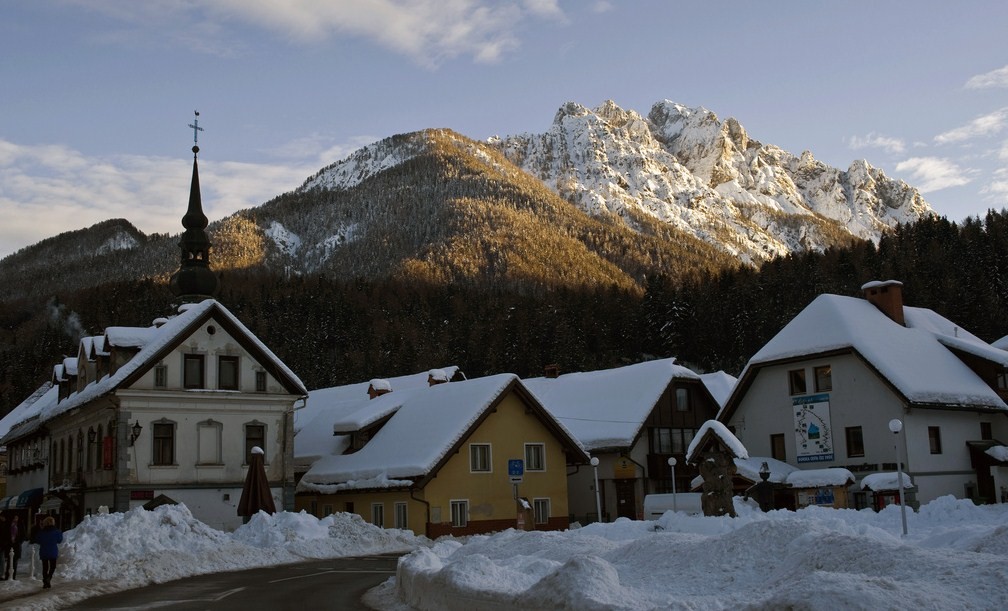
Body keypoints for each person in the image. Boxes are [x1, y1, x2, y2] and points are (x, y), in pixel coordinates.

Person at [35, 517, 62, 590]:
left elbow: (37, 540)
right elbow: (59, 540)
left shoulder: (42, 532)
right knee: (53, 566)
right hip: (53, 551)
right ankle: (49, 577)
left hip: (44, 551)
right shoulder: (57, 531)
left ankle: (45, 582)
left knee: (45, 567)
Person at [7, 515, 22, 580]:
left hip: (17, 545)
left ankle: (13, 576)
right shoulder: (10, 525)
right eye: (14, 518)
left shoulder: (20, 525)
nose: (15, 519)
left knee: (15, 561)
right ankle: (7, 575)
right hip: (10, 545)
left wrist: (17, 540)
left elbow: (23, 535)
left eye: (16, 518)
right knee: (9, 561)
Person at [0, 515, 8, 581]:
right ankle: (1, 574)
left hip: (2, 545)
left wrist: (4, 544)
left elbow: (5, 535)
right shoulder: (3, 524)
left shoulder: (6, 525)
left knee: (2, 560)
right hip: (2, 544)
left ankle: (2, 574)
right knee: (1, 560)